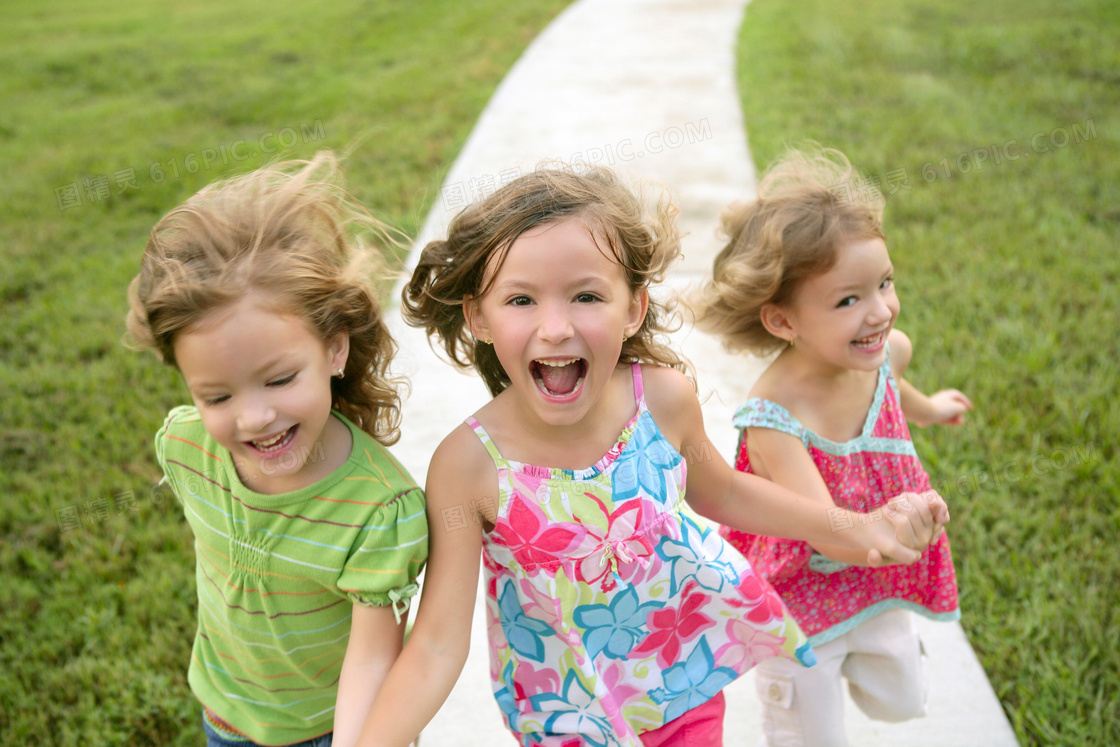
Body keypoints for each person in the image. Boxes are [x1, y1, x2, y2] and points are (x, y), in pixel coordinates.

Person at [353, 163, 948, 747]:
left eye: (586, 295)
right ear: (479, 315)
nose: (556, 327)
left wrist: (855, 525)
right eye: (521, 301)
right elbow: (435, 644)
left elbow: (727, 491)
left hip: (685, 683)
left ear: (633, 307)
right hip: (564, 718)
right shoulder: (470, 466)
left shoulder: (659, 399)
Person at [125, 153, 428, 747]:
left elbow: (373, 664)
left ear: (334, 350)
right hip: (224, 718)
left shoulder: (379, 512)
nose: (254, 417)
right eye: (216, 395)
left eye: (280, 379)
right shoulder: (186, 449)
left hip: (332, 731)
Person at [692, 145, 971, 746]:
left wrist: (932, 409)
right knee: (810, 732)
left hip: (872, 582)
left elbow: (899, 388)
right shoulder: (773, 418)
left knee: (902, 699)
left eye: (885, 284)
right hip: (802, 603)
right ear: (784, 322)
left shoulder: (883, 353)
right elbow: (826, 530)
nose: (880, 312)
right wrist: (896, 531)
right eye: (849, 300)